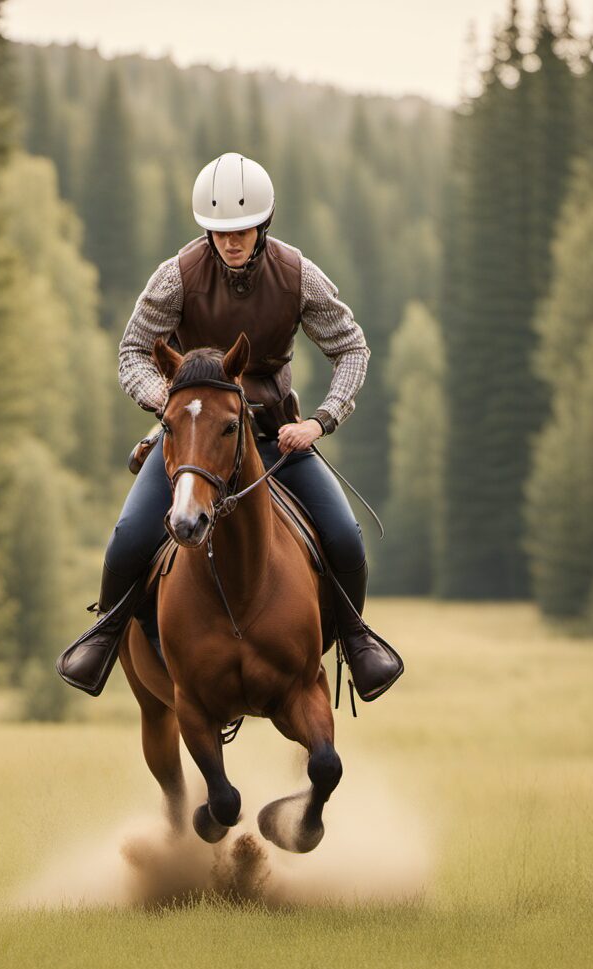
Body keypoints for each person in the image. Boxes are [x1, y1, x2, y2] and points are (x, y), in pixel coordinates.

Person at [58, 152, 402, 701]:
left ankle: (356, 642)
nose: (231, 241)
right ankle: (104, 636)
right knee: (127, 538)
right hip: (195, 441)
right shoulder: (176, 276)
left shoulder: (298, 276)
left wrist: (320, 421)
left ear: (263, 225)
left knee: (345, 536)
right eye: (220, 231)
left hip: (276, 438)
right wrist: (169, 404)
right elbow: (132, 352)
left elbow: (352, 348)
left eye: (241, 230)